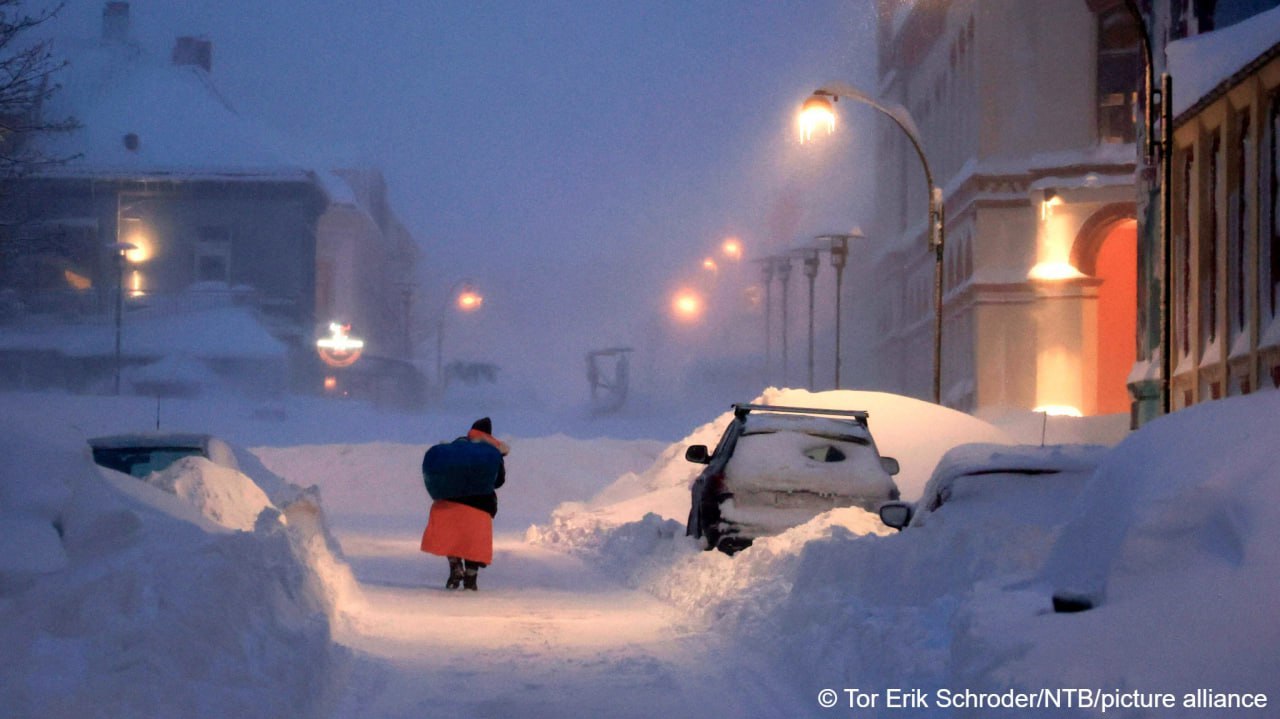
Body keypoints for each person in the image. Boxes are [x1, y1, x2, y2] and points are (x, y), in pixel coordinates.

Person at [419, 417, 508, 591]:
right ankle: (470, 577)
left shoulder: (455, 448)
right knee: (473, 542)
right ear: (489, 434)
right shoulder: (491, 453)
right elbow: (498, 481)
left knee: (452, 537)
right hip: (479, 505)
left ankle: (455, 567)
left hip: (449, 501)